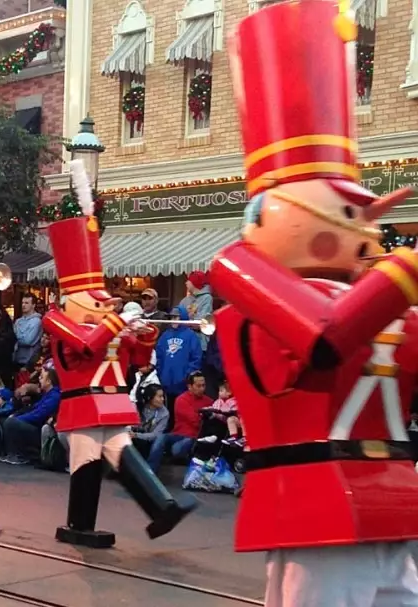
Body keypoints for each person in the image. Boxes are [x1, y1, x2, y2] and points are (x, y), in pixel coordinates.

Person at [210, 3, 418, 603]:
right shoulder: (247, 280)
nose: (366, 226)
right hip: (313, 499)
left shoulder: (379, 297)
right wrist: (405, 269)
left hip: (391, 496)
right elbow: (326, 338)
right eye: (350, 210)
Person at [42, 160, 195, 550]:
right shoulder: (57, 320)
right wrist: (114, 321)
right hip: (81, 404)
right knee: (86, 466)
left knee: (126, 458)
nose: (102, 299)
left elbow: (136, 359)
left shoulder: (103, 321)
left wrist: (141, 334)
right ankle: (79, 524)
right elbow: (85, 346)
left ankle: (162, 509)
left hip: (110, 402)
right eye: (94, 295)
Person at [147, 371, 212, 472]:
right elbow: (195, 421)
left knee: (177, 448)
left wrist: (200, 417)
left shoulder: (209, 401)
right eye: (198, 386)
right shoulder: (181, 400)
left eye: (203, 385)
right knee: (161, 437)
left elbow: (201, 423)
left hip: (194, 437)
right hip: (178, 434)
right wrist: (202, 416)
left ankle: (182, 458)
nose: (202, 388)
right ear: (190, 386)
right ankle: (150, 470)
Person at [129, 384, 169, 458]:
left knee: (158, 441)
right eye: (159, 396)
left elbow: (155, 435)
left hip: (149, 442)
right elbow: (129, 426)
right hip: (133, 439)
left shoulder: (164, 413)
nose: (162, 399)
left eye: (162, 396)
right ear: (149, 398)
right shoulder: (137, 407)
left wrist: (136, 435)